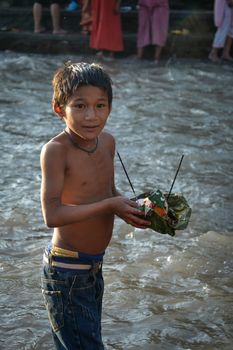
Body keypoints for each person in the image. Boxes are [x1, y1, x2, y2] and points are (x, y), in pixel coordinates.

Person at [40, 61, 150, 349]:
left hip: (93, 267)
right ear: (58, 108)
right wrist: (110, 205)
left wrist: (131, 208)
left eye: (100, 106)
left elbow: (108, 192)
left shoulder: (108, 142)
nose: (91, 116)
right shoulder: (55, 151)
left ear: (110, 107)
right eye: (80, 106)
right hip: (66, 271)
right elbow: (52, 215)